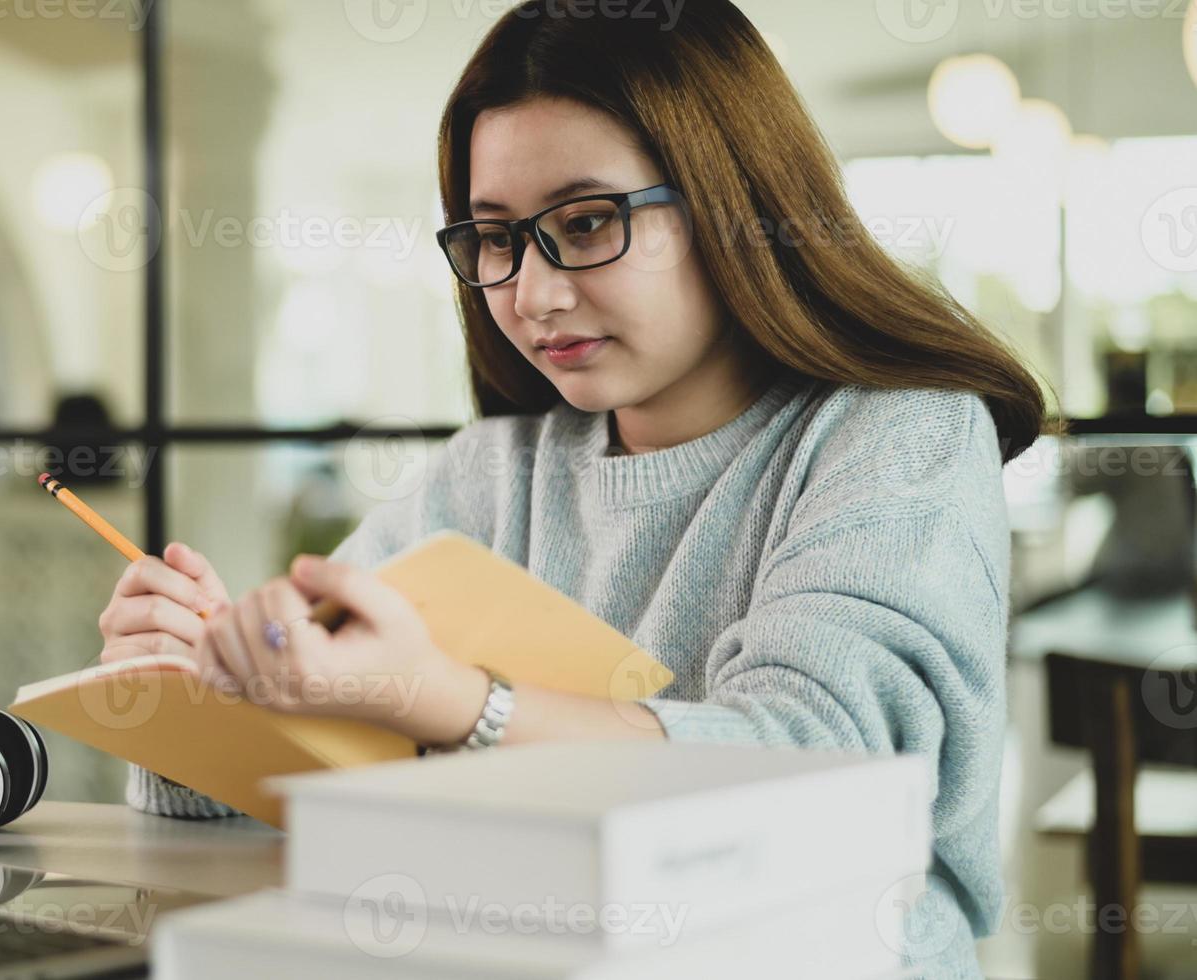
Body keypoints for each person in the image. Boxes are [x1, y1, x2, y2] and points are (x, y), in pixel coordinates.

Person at [93, 3, 1046, 976]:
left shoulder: (901, 431)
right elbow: (280, 781)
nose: (531, 295)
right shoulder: (493, 470)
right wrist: (198, 687)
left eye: (587, 222)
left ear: (734, 200)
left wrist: (454, 703)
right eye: (495, 237)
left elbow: (816, 762)